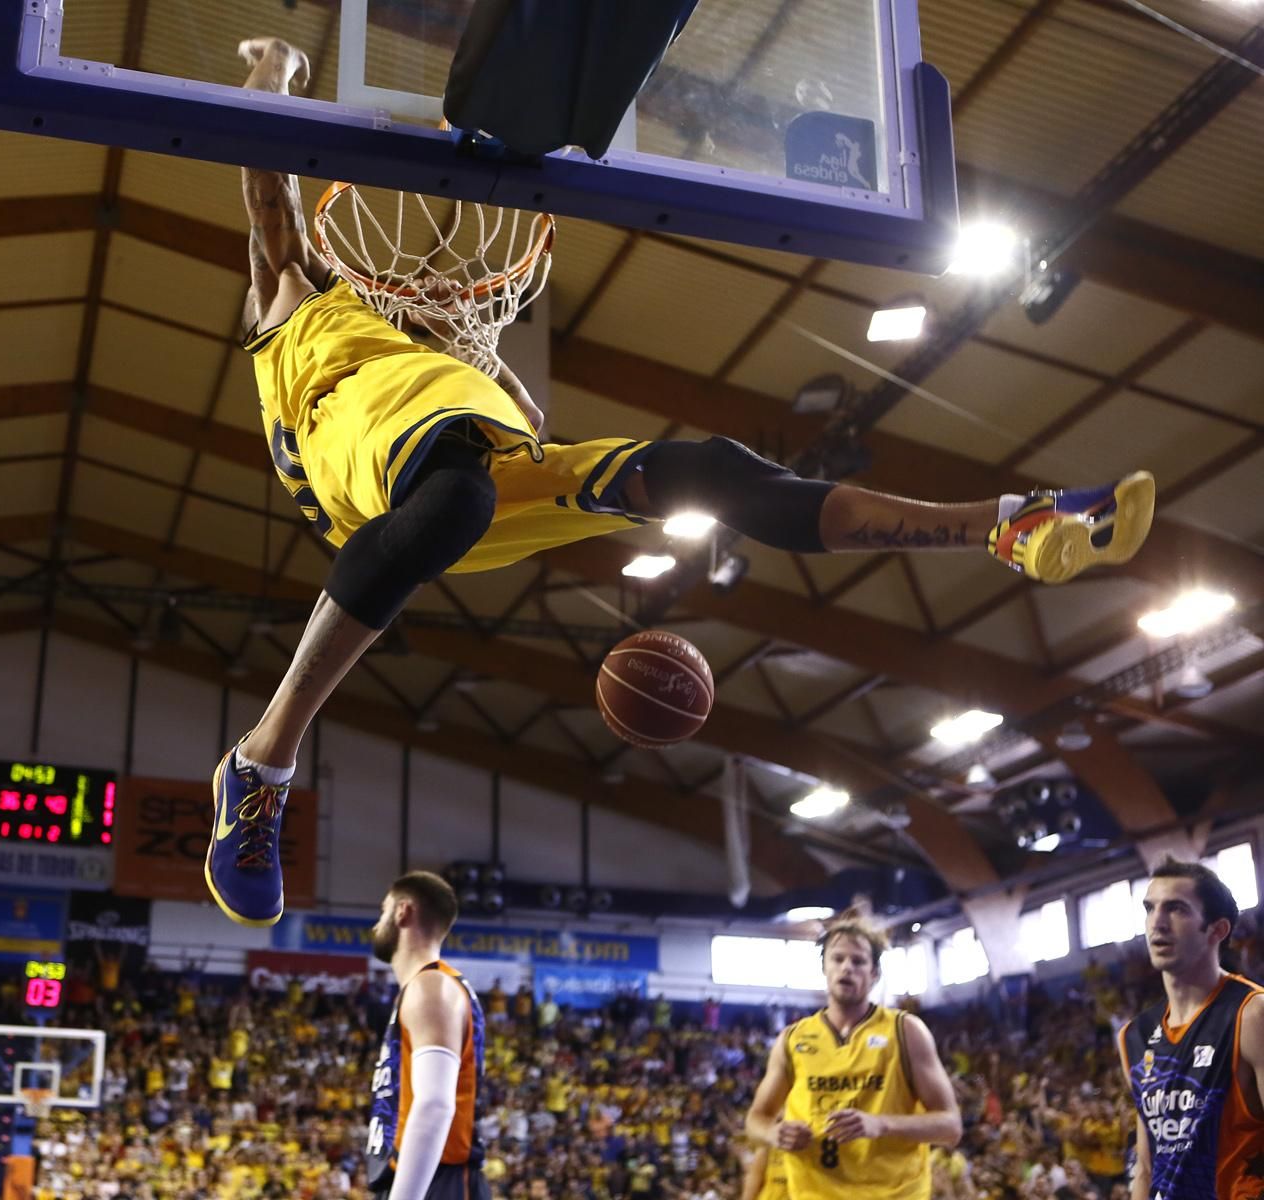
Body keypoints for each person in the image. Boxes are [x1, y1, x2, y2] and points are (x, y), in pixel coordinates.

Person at [202, 36, 1158, 928]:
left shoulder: (451, 363)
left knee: (709, 470)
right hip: (365, 463)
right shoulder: (295, 316)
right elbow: (269, 202)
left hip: (480, 472)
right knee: (457, 490)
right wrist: (273, 80)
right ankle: (263, 762)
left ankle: (1004, 522)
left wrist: (492, 380)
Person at [744, 915, 961, 1199]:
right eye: (838, 959)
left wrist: (881, 1124)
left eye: (858, 961)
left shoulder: (905, 1031)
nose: (847, 967)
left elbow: (950, 1127)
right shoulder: (793, 1039)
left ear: (874, 974)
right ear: (824, 967)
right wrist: (774, 1134)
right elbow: (755, 1121)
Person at [1120, 857, 1264, 1198]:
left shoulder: (1252, 1013)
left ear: (1217, 929)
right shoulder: (1133, 1036)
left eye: (1177, 909)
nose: (1158, 922)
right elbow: (1146, 1164)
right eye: (1150, 908)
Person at [364, 871, 489, 1200]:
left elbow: (434, 1104)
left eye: (383, 911)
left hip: (437, 1180)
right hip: (422, 1176)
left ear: (402, 911)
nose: (377, 924)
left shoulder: (430, 987)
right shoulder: (427, 986)